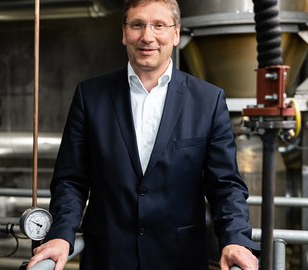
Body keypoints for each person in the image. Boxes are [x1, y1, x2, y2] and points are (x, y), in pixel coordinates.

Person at [27, 0, 260, 269]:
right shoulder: (89, 96)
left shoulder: (208, 100)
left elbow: (225, 185)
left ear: (175, 33)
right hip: (108, 257)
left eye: (159, 25)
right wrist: (61, 235)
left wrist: (236, 240)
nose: (147, 36)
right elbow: (71, 180)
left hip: (179, 259)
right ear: (124, 33)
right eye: (137, 25)